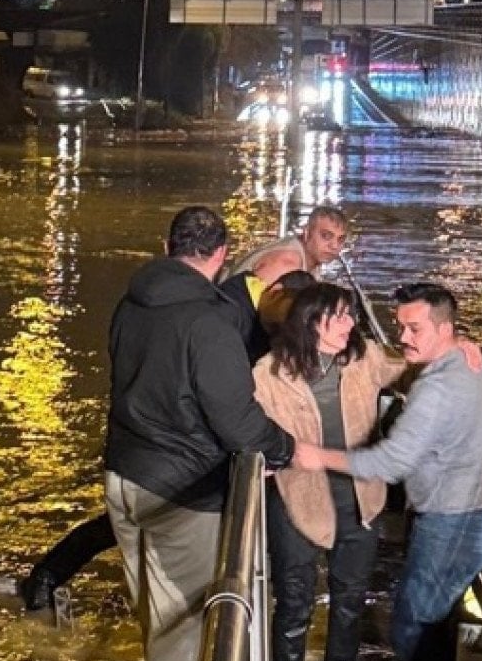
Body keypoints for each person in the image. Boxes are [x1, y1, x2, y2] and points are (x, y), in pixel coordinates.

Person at [17, 260, 310, 614]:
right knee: (134, 524)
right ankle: (49, 575)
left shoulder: (250, 314)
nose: (285, 328)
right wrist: (279, 446)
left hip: (184, 449)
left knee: (134, 523)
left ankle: (51, 575)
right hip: (183, 450)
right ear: (276, 291)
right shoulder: (226, 313)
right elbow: (222, 400)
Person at [105, 205, 295, 661]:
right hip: (183, 492)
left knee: (152, 609)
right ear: (222, 256)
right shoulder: (210, 322)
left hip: (124, 477)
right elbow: (238, 421)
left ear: (166, 247)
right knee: (179, 627)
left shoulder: (130, 302)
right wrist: (283, 447)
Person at [295, 282, 482, 661]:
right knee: (438, 617)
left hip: (452, 524)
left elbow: (389, 463)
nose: (403, 337)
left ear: (445, 329)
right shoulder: (481, 366)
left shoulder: (435, 389)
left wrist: (317, 456)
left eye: (415, 329)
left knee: (412, 622)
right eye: (400, 327)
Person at [252, 283, 408, 661]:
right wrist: (262, 457)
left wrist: (456, 349)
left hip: (361, 501)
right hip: (296, 502)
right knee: (293, 600)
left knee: (351, 598)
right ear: (310, 320)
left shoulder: (365, 357)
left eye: (350, 314)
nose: (349, 323)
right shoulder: (268, 374)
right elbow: (247, 428)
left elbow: (414, 368)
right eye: (338, 315)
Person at [224, 206, 347, 280]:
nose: (334, 246)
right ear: (306, 232)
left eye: (340, 239)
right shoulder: (286, 264)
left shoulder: (311, 258)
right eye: (326, 236)